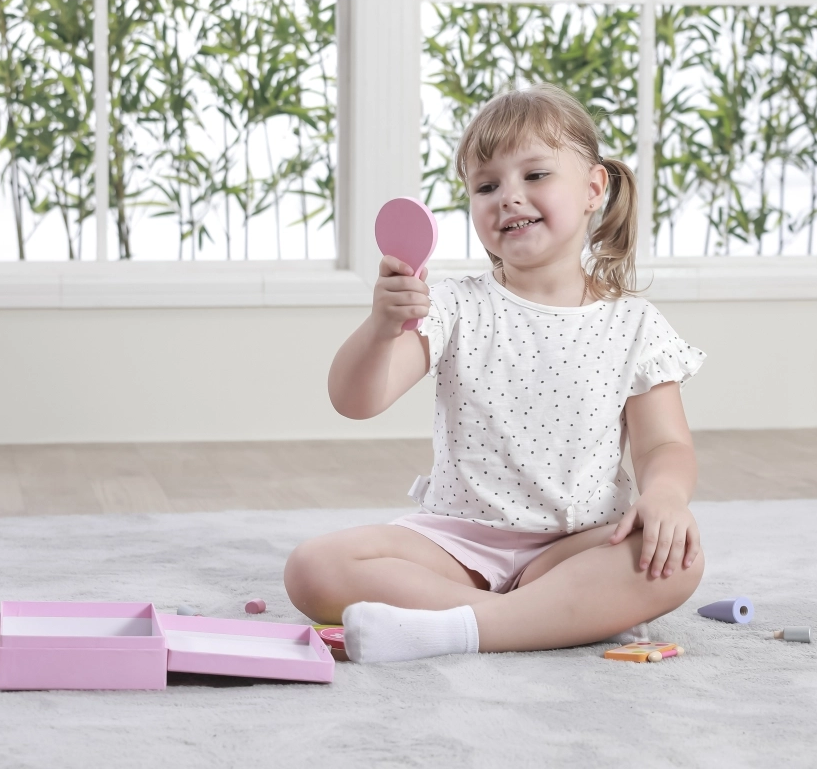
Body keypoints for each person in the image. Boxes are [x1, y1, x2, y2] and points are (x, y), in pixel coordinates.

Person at [284, 83, 707, 663]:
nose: (509, 197)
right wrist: (382, 328)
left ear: (593, 189)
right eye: (487, 186)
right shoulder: (453, 305)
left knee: (679, 559)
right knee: (312, 568)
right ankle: (542, 618)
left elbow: (665, 445)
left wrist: (666, 496)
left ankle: (458, 627)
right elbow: (356, 400)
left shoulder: (635, 324)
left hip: (578, 545)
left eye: (535, 175)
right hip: (456, 545)